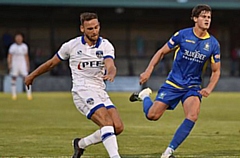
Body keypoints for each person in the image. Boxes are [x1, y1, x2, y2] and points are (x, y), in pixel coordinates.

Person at [25, 12, 123, 158]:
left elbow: (111, 65)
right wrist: (32, 75)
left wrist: (111, 73)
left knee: (118, 127)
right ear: (82, 29)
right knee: (107, 122)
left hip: (99, 90)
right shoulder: (71, 46)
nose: (94, 31)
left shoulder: (106, 45)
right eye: (90, 28)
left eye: (96, 27)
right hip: (82, 90)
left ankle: (80, 144)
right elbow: (52, 63)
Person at [129, 4, 221, 158]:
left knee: (192, 115)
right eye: (204, 17)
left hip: (192, 86)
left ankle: (168, 152)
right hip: (173, 83)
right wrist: (148, 70)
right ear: (195, 18)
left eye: (209, 17)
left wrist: (209, 88)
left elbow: (216, 70)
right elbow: (161, 52)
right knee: (152, 115)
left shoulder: (213, 44)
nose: (207, 20)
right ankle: (145, 96)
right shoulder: (182, 35)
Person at [7, 32, 32, 100]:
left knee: (27, 78)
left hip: (22, 64)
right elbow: (10, 56)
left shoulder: (24, 46)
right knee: (14, 78)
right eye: (17, 38)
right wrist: (9, 64)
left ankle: (29, 95)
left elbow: (26, 56)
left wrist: (27, 65)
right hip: (15, 64)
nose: (18, 39)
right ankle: (14, 95)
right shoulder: (12, 47)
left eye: (20, 38)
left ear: (22, 38)